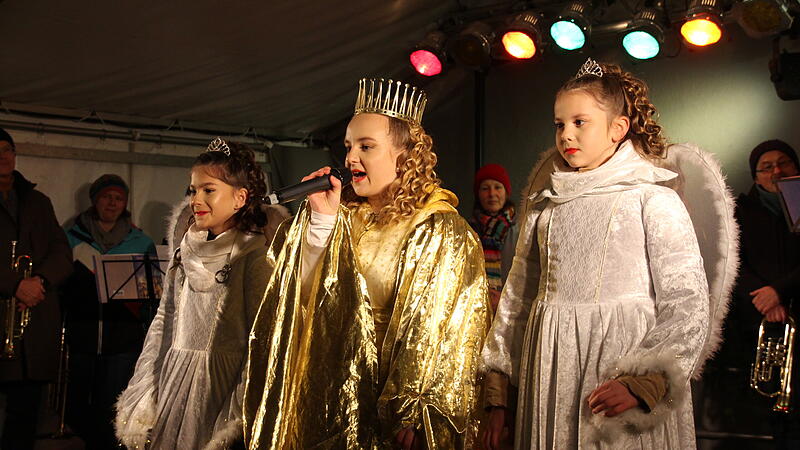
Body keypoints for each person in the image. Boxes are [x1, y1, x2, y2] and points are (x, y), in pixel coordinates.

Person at [482, 60, 732, 449]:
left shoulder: (652, 199)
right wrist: (500, 397)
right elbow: (517, 300)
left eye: (580, 122)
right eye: (559, 123)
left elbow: (687, 302)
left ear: (618, 129)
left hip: (620, 365)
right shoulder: (546, 209)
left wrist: (643, 384)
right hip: (551, 364)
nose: (566, 134)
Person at [243, 78, 491, 449]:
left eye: (366, 147)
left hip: (387, 411)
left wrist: (413, 406)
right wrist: (323, 221)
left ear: (404, 157)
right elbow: (301, 298)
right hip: (335, 398)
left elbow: (442, 329)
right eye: (348, 146)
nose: (350, 159)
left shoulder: (437, 227)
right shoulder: (346, 217)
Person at [114, 139, 277, 449]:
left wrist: (238, 406)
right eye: (193, 190)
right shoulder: (183, 250)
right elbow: (165, 318)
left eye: (209, 190)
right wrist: (147, 385)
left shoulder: (254, 257)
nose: (196, 199)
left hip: (221, 386)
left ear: (240, 197)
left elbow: (264, 337)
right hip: (175, 380)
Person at [707, 140, 799, 447]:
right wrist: (764, 298)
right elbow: (730, 259)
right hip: (761, 318)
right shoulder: (739, 210)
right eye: (766, 167)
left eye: (784, 163)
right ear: (756, 176)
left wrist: (779, 291)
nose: (776, 171)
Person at [61, 174, 156, 449]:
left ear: (125, 203)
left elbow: (151, 289)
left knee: (112, 401)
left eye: (118, 198)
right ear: (94, 200)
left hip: (123, 337)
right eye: (106, 197)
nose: (112, 203)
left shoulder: (141, 242)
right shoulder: (71, 237)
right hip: (82, 333)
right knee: (77, 401)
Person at [0, 127, 73, 449]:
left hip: (32, 328)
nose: (3, 155)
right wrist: (14, 284)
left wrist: (39, 281)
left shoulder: (38, 201)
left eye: (8, 149)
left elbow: (61, 251)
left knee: (25, 416)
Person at [468, 164, 518, 314]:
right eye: (485, 188)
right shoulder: (469, 230)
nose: (492, 193)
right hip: (477, 307)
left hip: (512, 307)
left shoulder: (520, 228)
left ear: (506, 192)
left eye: (498, 187)